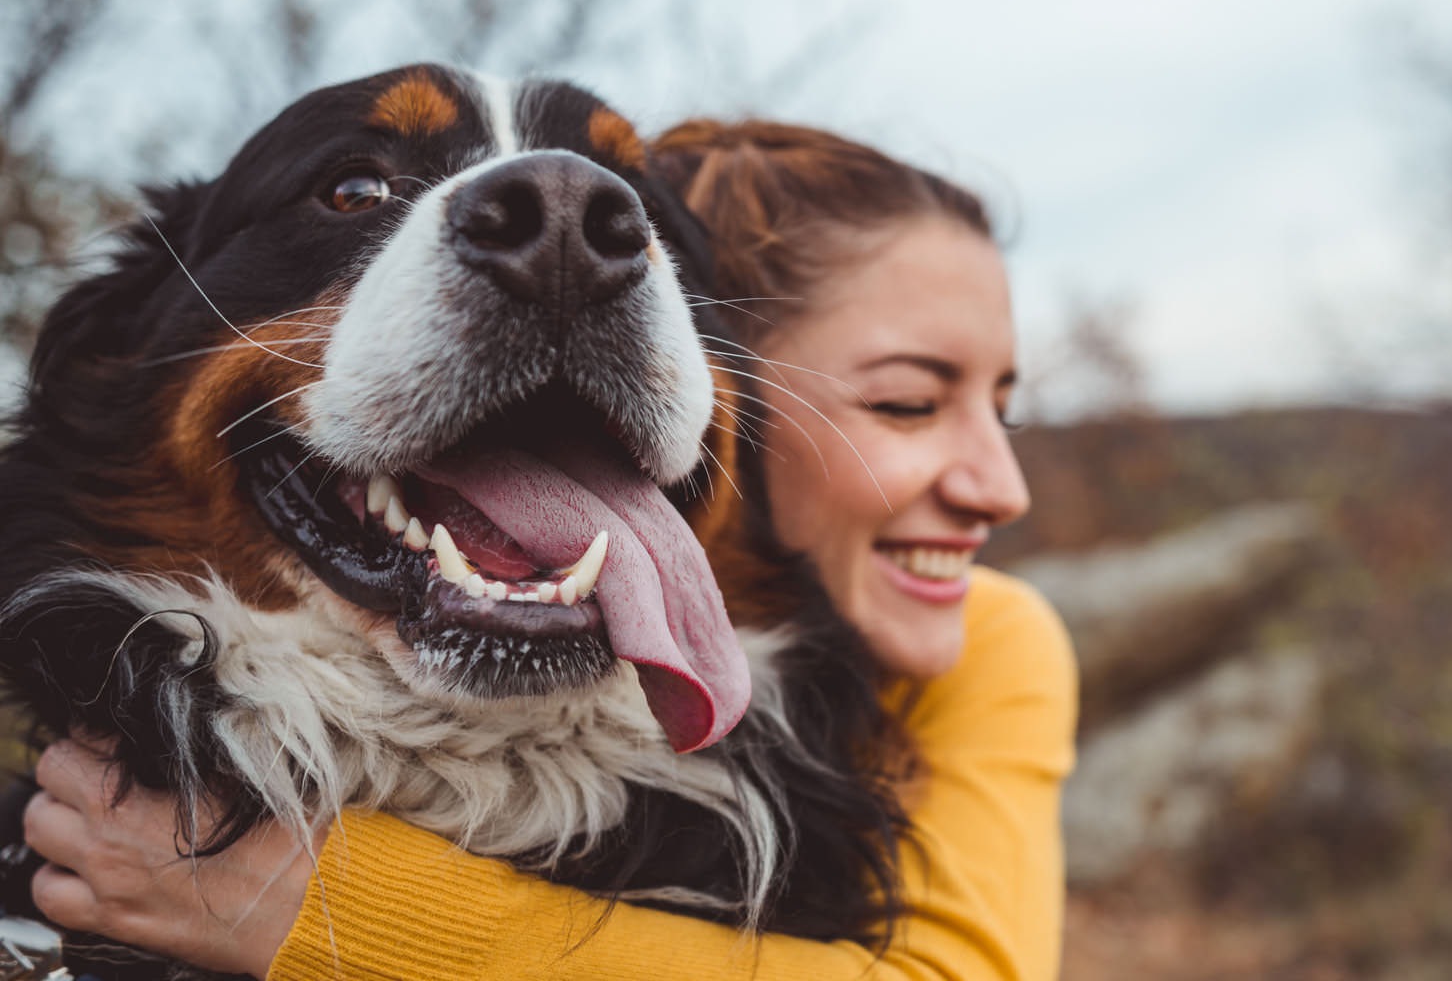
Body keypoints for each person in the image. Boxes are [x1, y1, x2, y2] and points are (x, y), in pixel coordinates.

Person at [23, 119, 1078, 980]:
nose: (1003, 488)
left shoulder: (993, 638)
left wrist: (315, 908)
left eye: (1004, 408)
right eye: (907, 403)